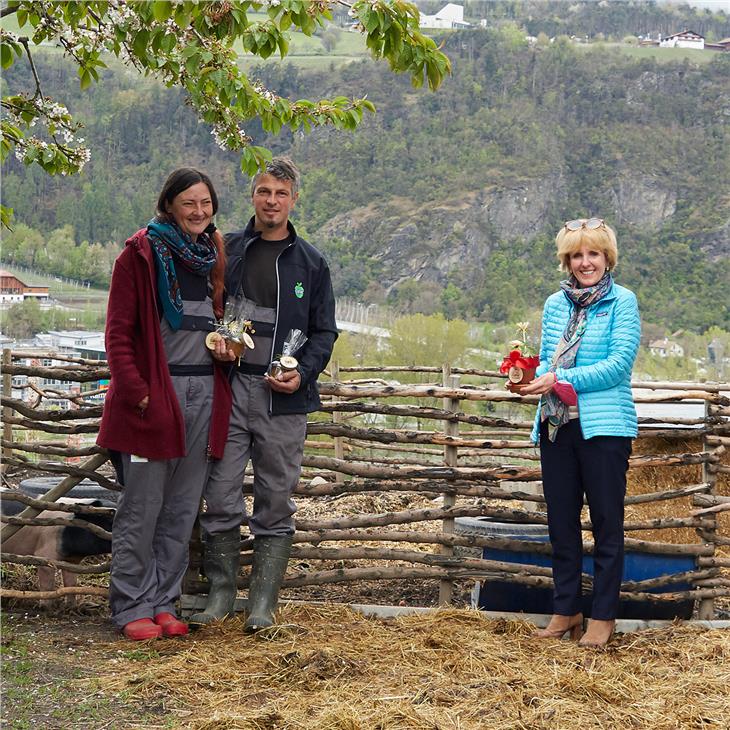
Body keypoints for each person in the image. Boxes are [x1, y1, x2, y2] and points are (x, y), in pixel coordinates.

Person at [189, 157, 338, 632]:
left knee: (275, 499)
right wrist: (216, 346)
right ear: (252, 195)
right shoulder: (225, 248)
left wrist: (303, 375)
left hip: (284, 403)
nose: (271, 201)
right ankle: (219, 594)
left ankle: (262, 603)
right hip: (229, 394)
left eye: (281, 193)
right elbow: (207, 310)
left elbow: (324, 333)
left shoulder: (311, 263)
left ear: (294, 200)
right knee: (221, 495)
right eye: (264, 191)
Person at [97, 168, 231, 641]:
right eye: (189, 203)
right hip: (156, 397)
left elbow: (218, 320)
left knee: (181, 507)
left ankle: (163, 602)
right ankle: (131, 603)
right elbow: (118, 333)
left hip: (204, 394)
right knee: (143, 506)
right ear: (169, 205)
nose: (199, 211)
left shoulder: (212, 255)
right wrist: (139, 394)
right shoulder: (140, 254)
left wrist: (228, 348)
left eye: (206, 203)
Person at [514, 217, 640, 648]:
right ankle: (566, 609)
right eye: (576, 255)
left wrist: (560, 380)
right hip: (557, 425)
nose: (585, 262)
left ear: (607, 258)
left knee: (607, 523)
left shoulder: (623, 302)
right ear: (567, 260)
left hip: (604, 428)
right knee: (561, 523)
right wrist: (530, 377)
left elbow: (618, 366)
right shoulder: (556, 304)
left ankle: (603, 616)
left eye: (593, 253)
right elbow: (550, 362)